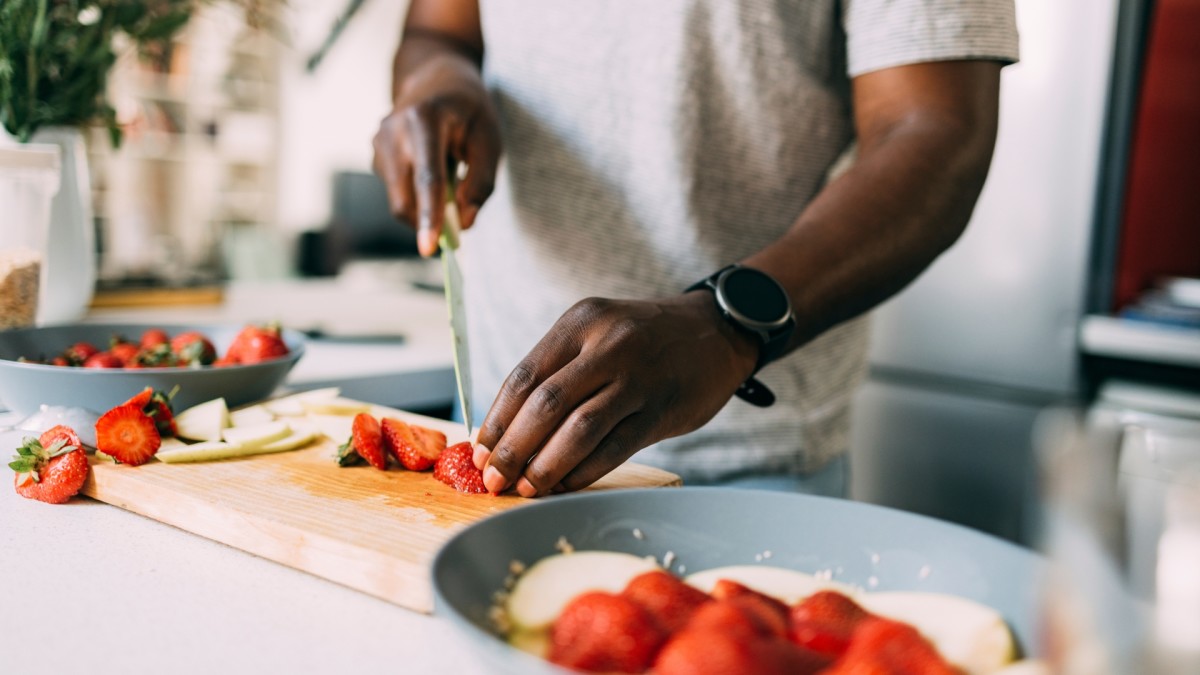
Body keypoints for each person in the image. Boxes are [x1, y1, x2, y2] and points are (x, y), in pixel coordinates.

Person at [373, 0, 1018, 499]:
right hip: (495, 427)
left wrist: (729, 324)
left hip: (747, 467)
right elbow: (441, 30)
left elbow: (934, 129)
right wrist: (437, 85)